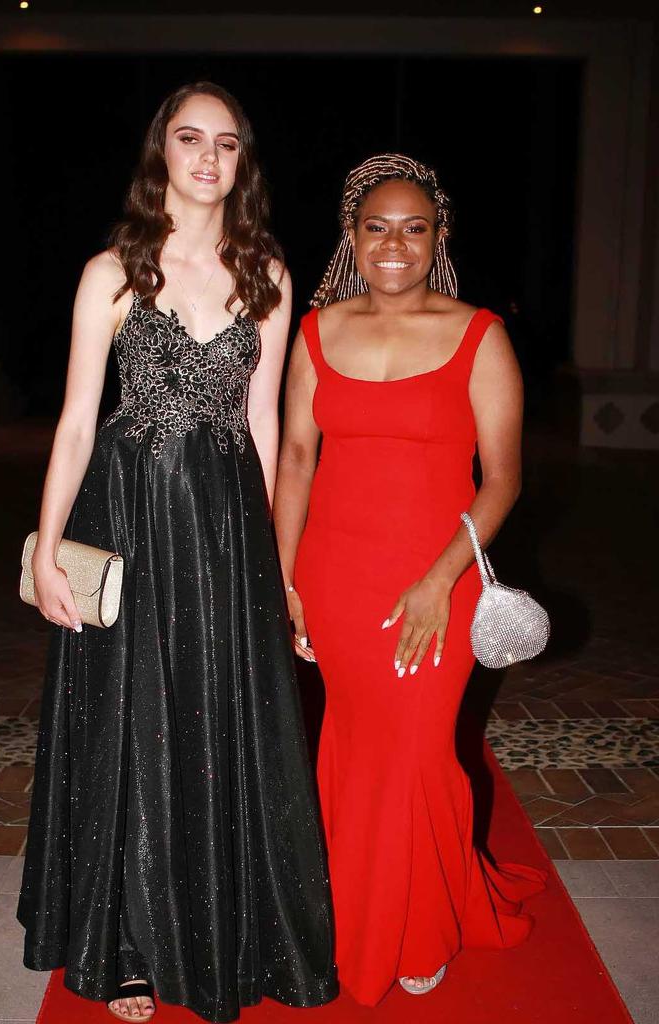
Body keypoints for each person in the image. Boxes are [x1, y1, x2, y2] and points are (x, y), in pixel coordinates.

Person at [17, 82, 338, 1024]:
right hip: (128, 517)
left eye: (227, 144)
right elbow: (77, 423)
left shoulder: (268, 272)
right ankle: (124, 947)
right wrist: (46, 552)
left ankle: (237, 931)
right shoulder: (109, 272)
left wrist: (281, 571)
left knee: (222, 719)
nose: (208, 157)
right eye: (191, 138)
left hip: (228, 529)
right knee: (129, 721)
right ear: (162, 150)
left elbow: (269, 425)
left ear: (242, 165)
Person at [273, 153, 545, 1005]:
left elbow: (502, 478)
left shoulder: (480, 334)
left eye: (414, 227)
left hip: (440, 575)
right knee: (350, 751)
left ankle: (422, 921)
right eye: (377, 227)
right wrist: (283, 579)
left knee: (421, 754)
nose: (395, 243)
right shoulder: (316, 330)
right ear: (352, 238)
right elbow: (295, 455)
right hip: (336, 574)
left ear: (440, 237)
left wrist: (439, 581)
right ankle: (348, 914)